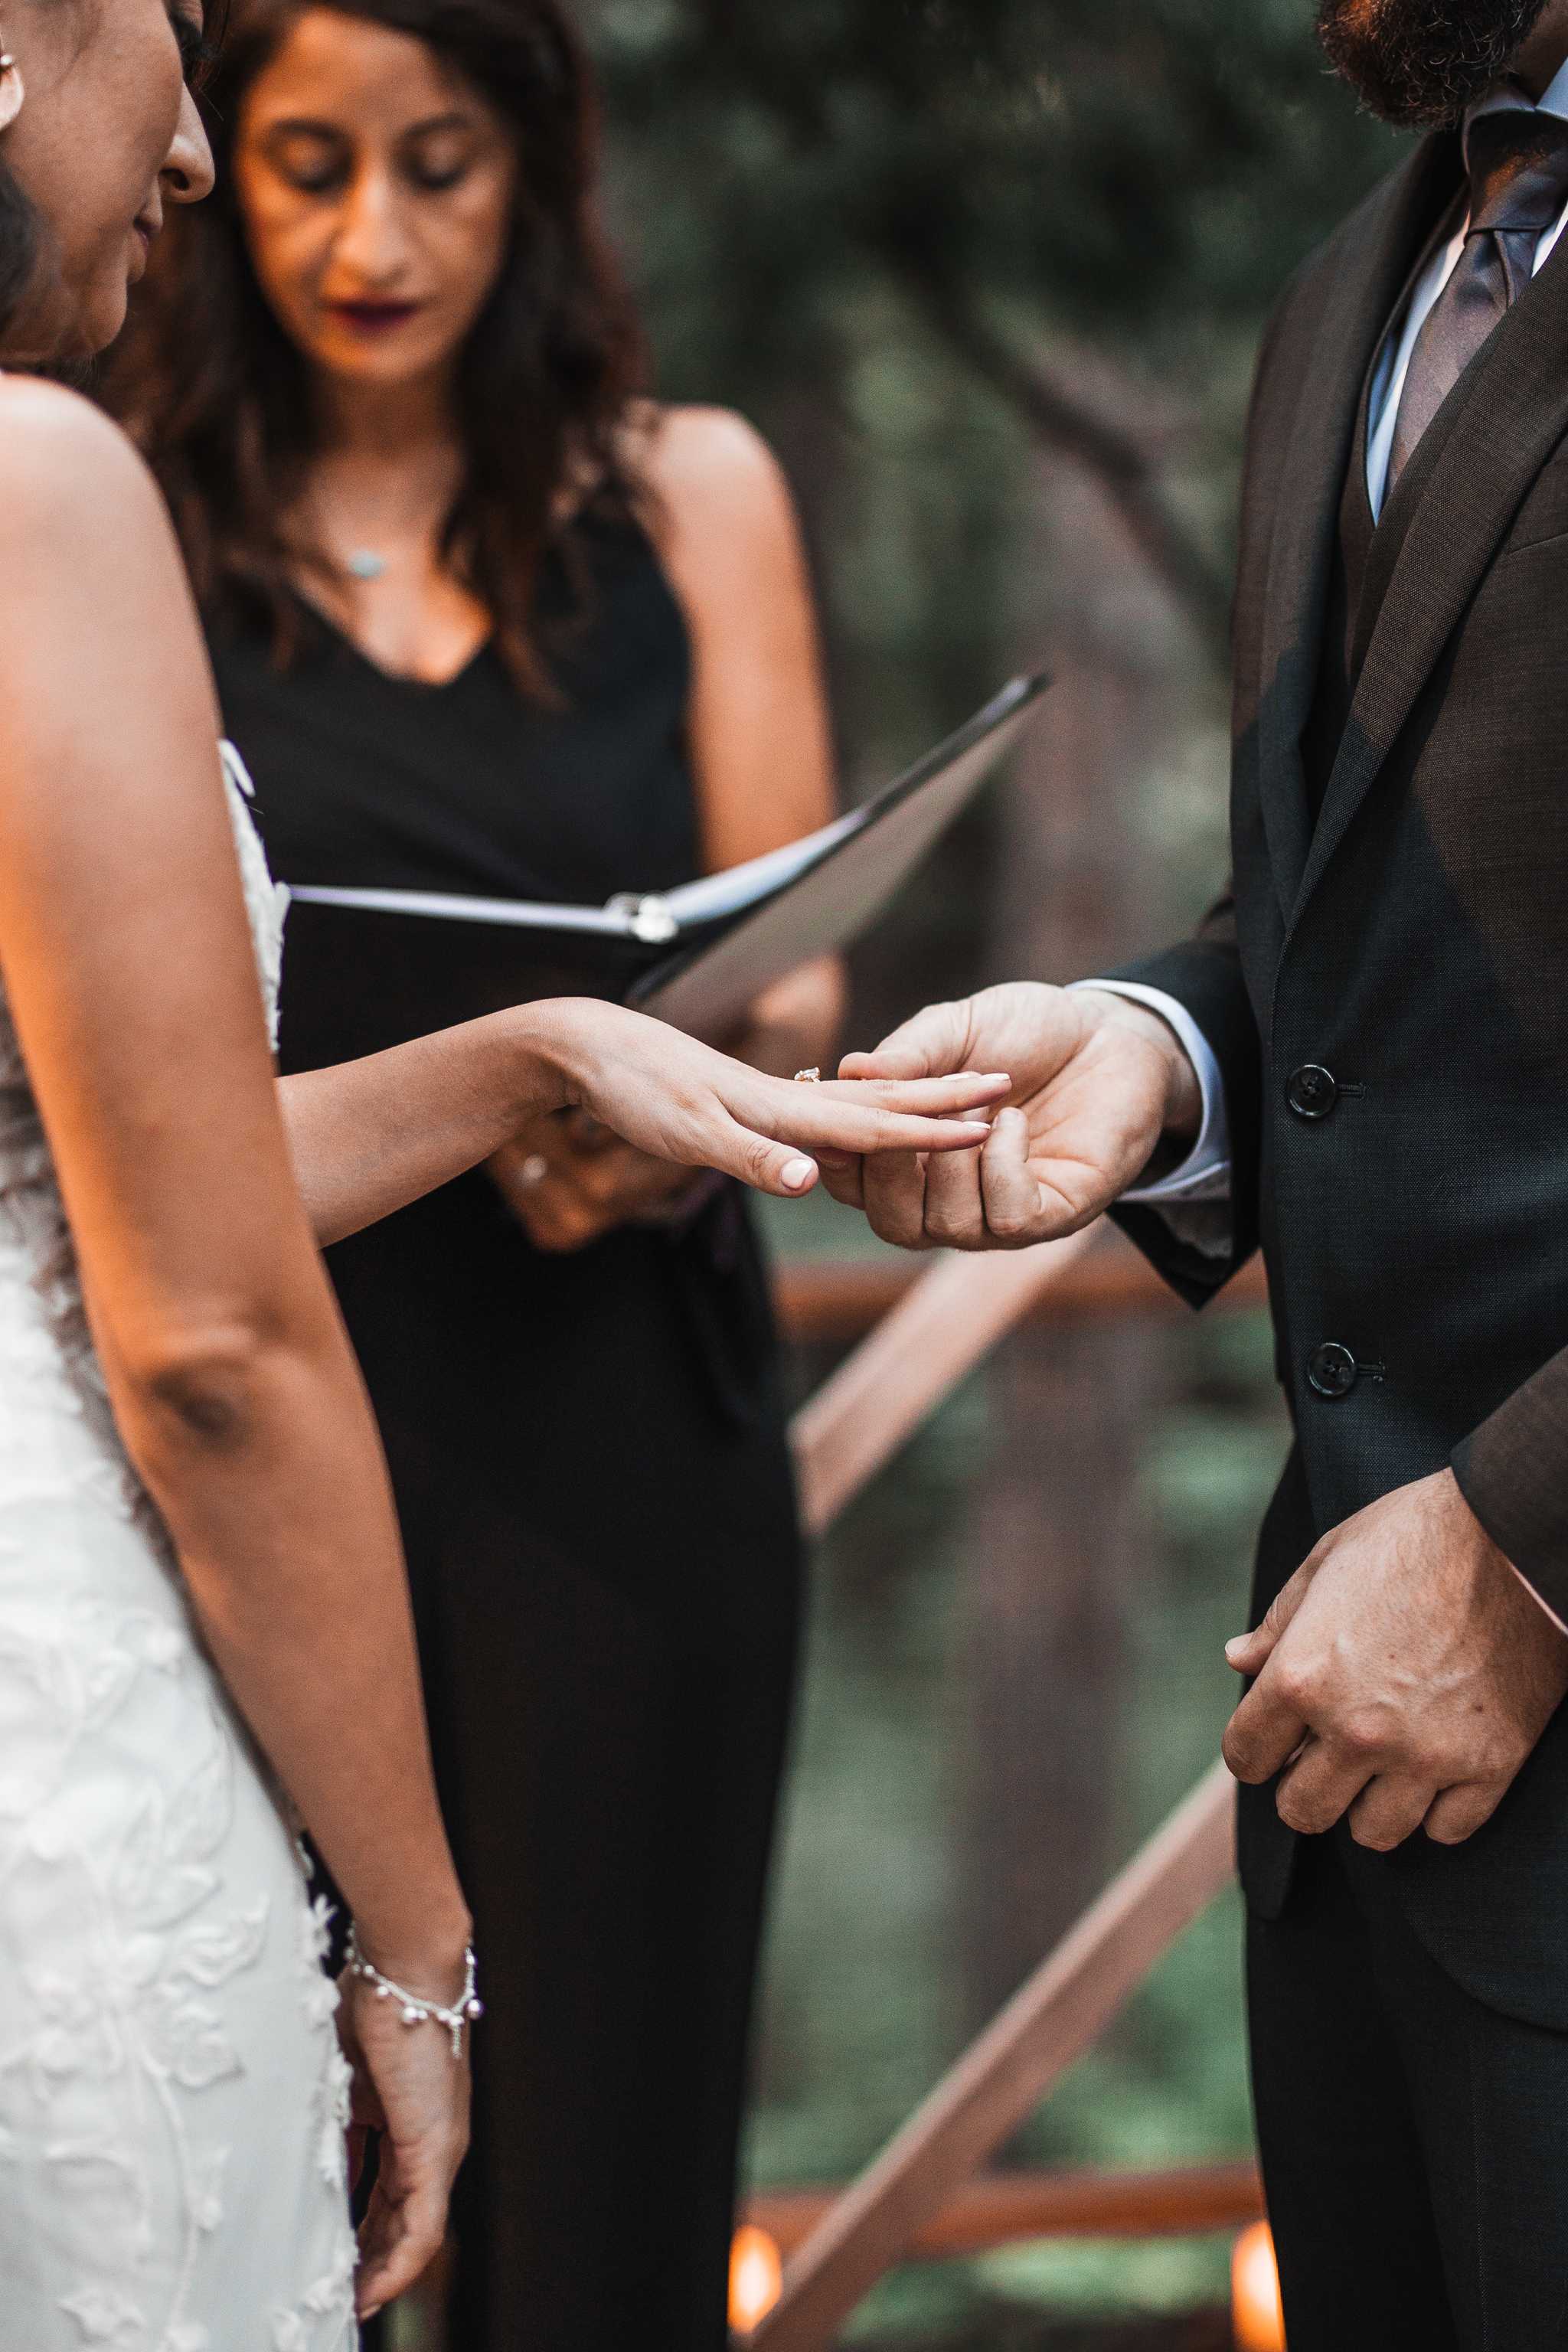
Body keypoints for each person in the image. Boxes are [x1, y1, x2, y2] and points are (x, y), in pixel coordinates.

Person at [0, 5, 1009, 2343]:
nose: (188, 171)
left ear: (539, 178)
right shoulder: (65, 485)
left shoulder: (674, 492)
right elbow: (209, 1327)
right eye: (260, 136)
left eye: (446, 164)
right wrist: (425, 1948)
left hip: (573, 1404)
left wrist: (556, 1061)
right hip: (184, 1486)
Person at [822, 1, 1568, 2343]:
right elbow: (1379, 914)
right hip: (1369, 1804)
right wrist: (1157, 1051)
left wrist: (1528, 1553)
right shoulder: (1360, 278)